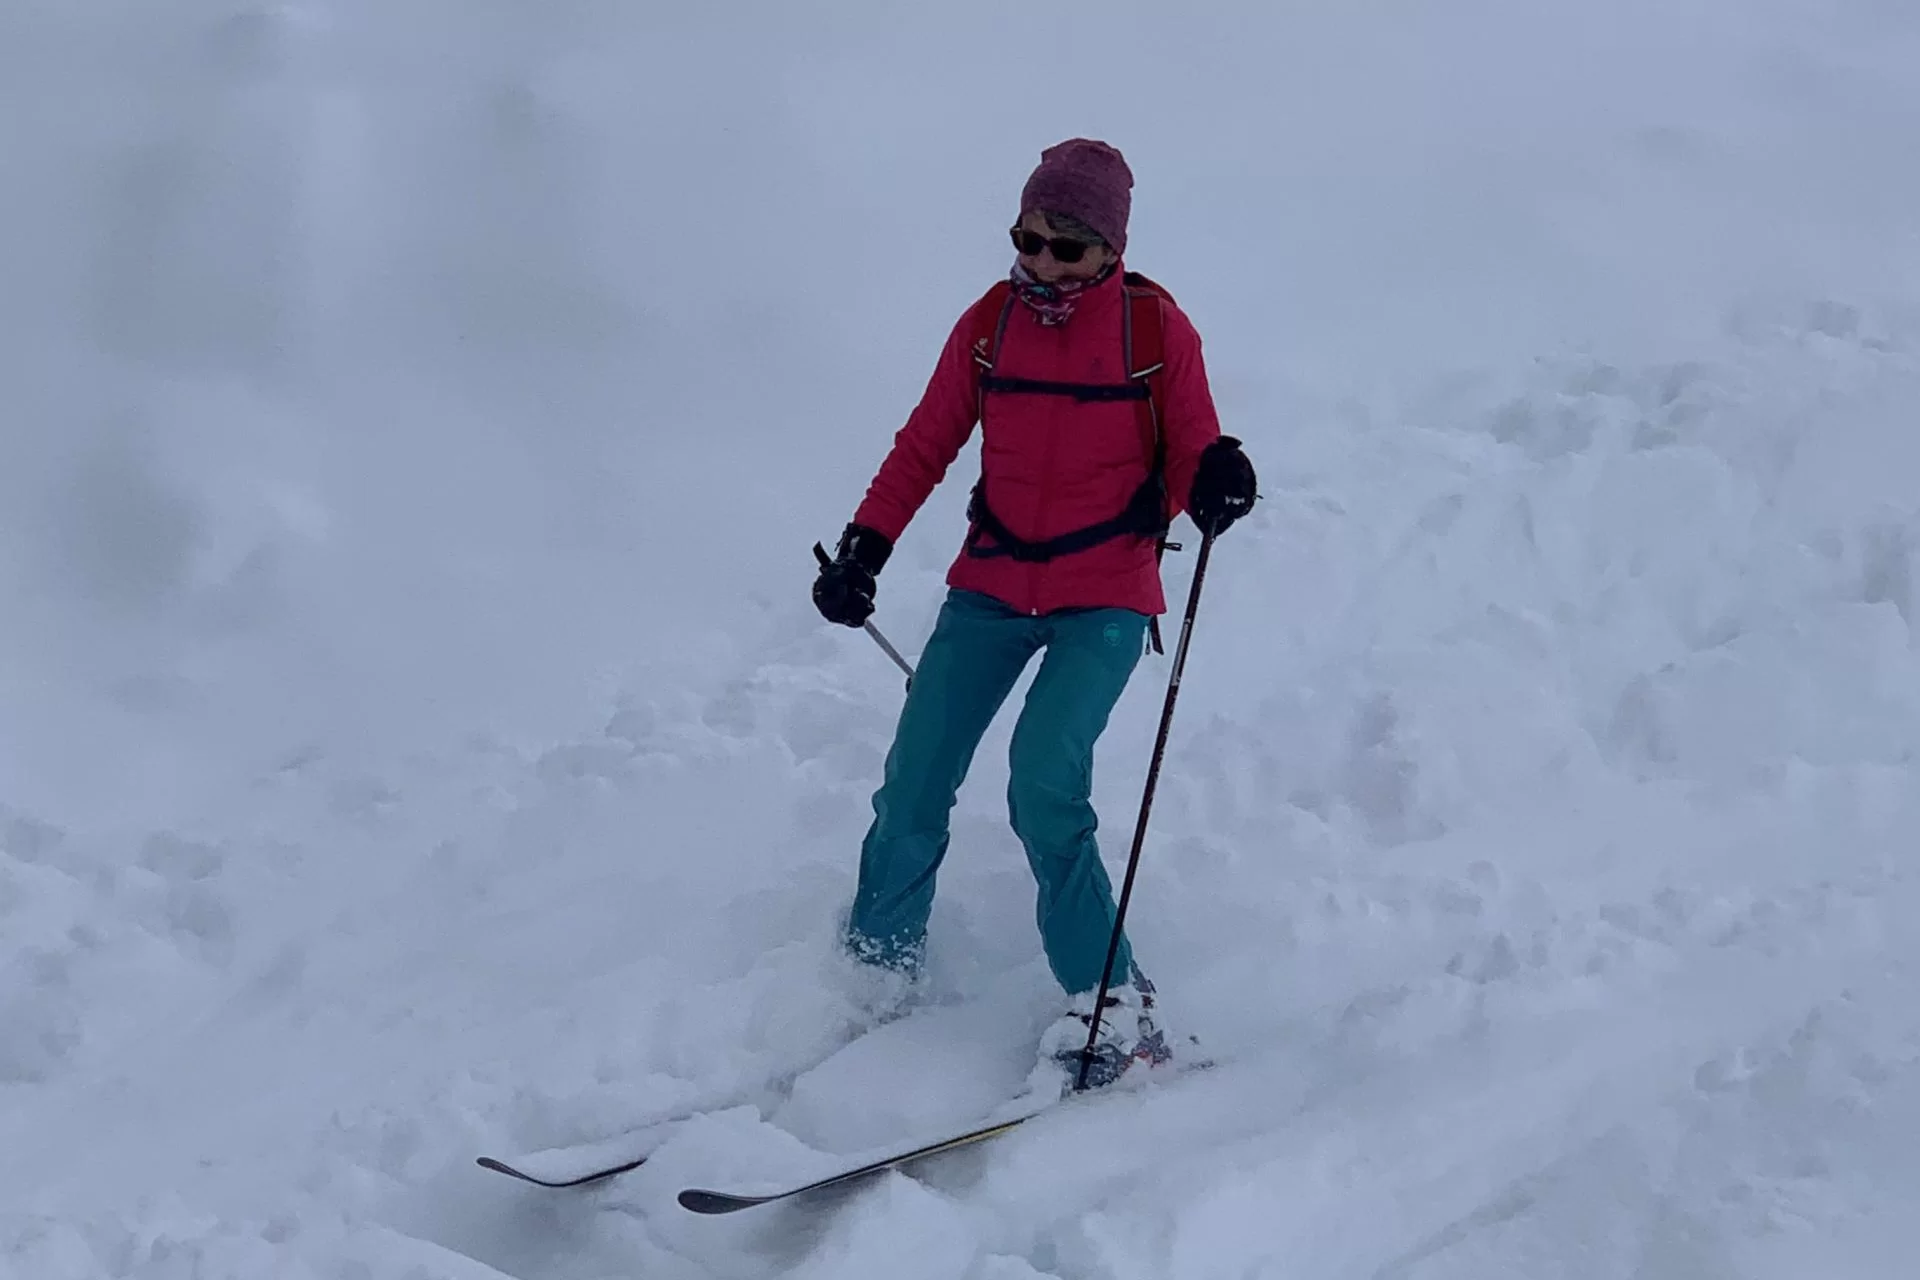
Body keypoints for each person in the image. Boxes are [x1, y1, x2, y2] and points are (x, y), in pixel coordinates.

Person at [811, 138, 1258, 1088]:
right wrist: (864, 547)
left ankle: (1114, 1003)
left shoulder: (1154, 332)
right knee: (915, 778)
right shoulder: (990, 324)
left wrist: (1216, 478)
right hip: (993, 581)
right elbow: (925, 443)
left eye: (1066, 246)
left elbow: (1192, 451)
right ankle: (872, 979)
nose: (1042, 263)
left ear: (1111, 249)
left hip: (1105, 593)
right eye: (1027, 239)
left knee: (1043, 781)